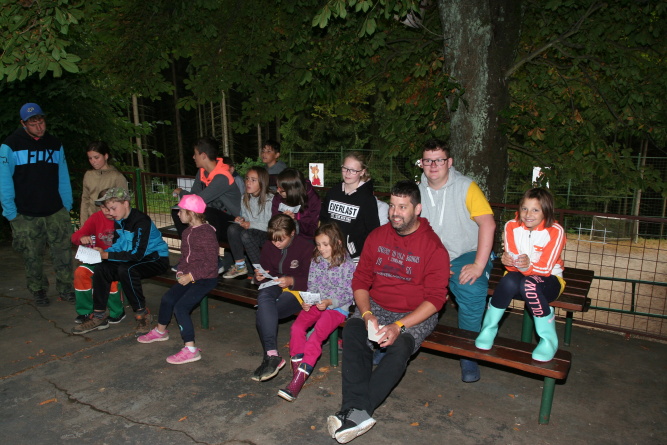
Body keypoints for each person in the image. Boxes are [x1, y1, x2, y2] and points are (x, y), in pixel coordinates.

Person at [326, 180, 450, 444]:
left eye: (403, 207)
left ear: (417, 209)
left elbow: (435, 300)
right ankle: (357, 412)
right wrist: (367, 314)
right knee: (354, 330)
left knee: (401, 346)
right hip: (378, 305)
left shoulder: (433, 246)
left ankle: (355, 411)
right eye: (392, 206)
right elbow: (360, 280)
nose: (395, 213)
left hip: (415, 311)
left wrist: (398, 326)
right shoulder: (377, 236)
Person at [417, 139, 496, 383]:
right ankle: (395, 338)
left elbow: (488, 224)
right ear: (421, 163)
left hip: (465, 253)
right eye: (428, 160)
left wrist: (479, 265)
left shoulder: (466, 187)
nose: (433, 165)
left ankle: (468, 353)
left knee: (472, 287)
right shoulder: (416, 191)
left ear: (449, 162)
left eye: (439, 160)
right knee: (401, 280)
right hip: (431, 255)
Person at [475, 188, 566, 362]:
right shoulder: (511, 226)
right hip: (522, 276)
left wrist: (526, 266)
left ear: (546, 211)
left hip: (550, 281)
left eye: (535, 210)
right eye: (524, 208)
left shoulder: (555, 230)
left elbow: (545, 269)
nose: (528, 214)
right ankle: (488, 330)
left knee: (529, 284)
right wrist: (508, 261)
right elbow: (513, 266)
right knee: (508, 280)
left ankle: (548, 341)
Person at [0, 102, 75, 306]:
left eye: (41, 122)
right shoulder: (10, 146)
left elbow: (63, 176)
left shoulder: (55, 144)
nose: (39, 127)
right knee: (32, 255)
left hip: (56, 210)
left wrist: (66, 205)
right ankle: (38, 290)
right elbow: (4, 181)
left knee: (63, 253)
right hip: (25, 214)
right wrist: (11, 213)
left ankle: (66, 288)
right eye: (33, 124)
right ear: (23, 124)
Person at [72, 187, 169, 336]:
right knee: (102, 268)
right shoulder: (119, 219)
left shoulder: (141, 221)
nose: (110, 213)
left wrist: (106, 255)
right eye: (108, 209)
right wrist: (102, 253)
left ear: (126, 203)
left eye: (113, 208)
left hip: (155, 259)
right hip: (133, 258)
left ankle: (142, 315)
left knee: (127, 270)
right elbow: (118, 245)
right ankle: (99, 316)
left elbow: (137, 254)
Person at [137, 194, 219, 364]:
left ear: (192, 213)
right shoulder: (187, 231)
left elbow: (211, 263)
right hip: (188, 276)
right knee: (168, 298)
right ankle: (160, 331)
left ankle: (191, 349)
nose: (178, 214)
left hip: (205, 278)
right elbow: (184, 258)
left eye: (181, 211)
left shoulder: (206, 233)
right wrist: (181, 272)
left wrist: (191, 276)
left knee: (181, 307)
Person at [278, 223, 355, 402]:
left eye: (325, 244)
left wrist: (329, 302)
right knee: (297, 328)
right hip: (317, 301)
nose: (321, 248)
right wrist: (308, 300)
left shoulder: (347, 263)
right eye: (318, 244)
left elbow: (347, 293)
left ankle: (296, 383)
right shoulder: (317, 259)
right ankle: (299, 374)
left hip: (337, 307)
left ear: (337, 242)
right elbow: (312, 284)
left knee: (316, 336)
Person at [252, 214, 313, 382]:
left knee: (263, 314)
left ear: (292, 233)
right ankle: (272, 354)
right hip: (275, 283)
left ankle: (269, 357)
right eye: (273, 239)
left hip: (298, 290)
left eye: (281, 240)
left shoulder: (306, 248)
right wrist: (259, 276)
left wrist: (292, 280)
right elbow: (266, 271)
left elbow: (313, 280)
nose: (276, 243)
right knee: (264, 297)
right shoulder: (269, 245)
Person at [172, 137, 241, 243]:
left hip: (232, 221)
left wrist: (181, 192)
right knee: (177, 210)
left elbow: (198, 201)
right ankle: (188, 245)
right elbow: (193, 196)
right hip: (214, 216)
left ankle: (207, 251)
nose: (193, 157)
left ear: (203, 155)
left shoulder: (222, 177)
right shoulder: (201, 172)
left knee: (207, 213)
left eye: (195, 154)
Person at [72, 190, 125, 325]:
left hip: (117, 260)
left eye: (110, 207)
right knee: (80, 272)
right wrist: (82, 237)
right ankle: (85, 311)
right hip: (97, 259)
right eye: (103, 207)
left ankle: (117, 311)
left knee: (109, 277)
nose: (107, 211)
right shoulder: (96, 217)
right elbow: (76, 236)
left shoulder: (124, 219)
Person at [320, 152, 380, 262]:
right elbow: (323, 220)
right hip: (329, 251)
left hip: (353, 256)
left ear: (362, 172)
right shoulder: (333, 192)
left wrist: (353, 249)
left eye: (353, 170)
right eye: (345, 168)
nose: (347, 173)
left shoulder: (367, 199)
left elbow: (373, 232)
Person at [223, 166, 273, 279]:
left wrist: (251, 224)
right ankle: (240, 266)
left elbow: (271, 225)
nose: (248, 182)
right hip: (251, 231)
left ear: (262, 182)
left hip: (267, 234)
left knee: (246, 234)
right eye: (247, 178)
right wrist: (242, 219)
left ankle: (261, 272)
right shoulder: (244, 198)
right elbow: (246, 216)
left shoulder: (270, 200)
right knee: (232, 229)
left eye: (253, 180)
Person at [80, 141, 128, 225]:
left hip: (111, 222)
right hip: (92, 221)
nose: (93, 161)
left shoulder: (117, 177)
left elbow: (124, 203)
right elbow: (85, 200)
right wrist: (83, 224)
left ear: (105, 156)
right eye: (90, 158)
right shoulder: (88, 175)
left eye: (96, 157)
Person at [272, 168, 321, 240]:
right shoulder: (278, 197)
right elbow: (273, 222)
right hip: (282, 235)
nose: (277, 191)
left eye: (281, 190)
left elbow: (313, 230)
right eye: (277, 187)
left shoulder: (313, 199)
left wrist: (295, 222)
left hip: (305, 238)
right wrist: (282, 220)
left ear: (292, 191)